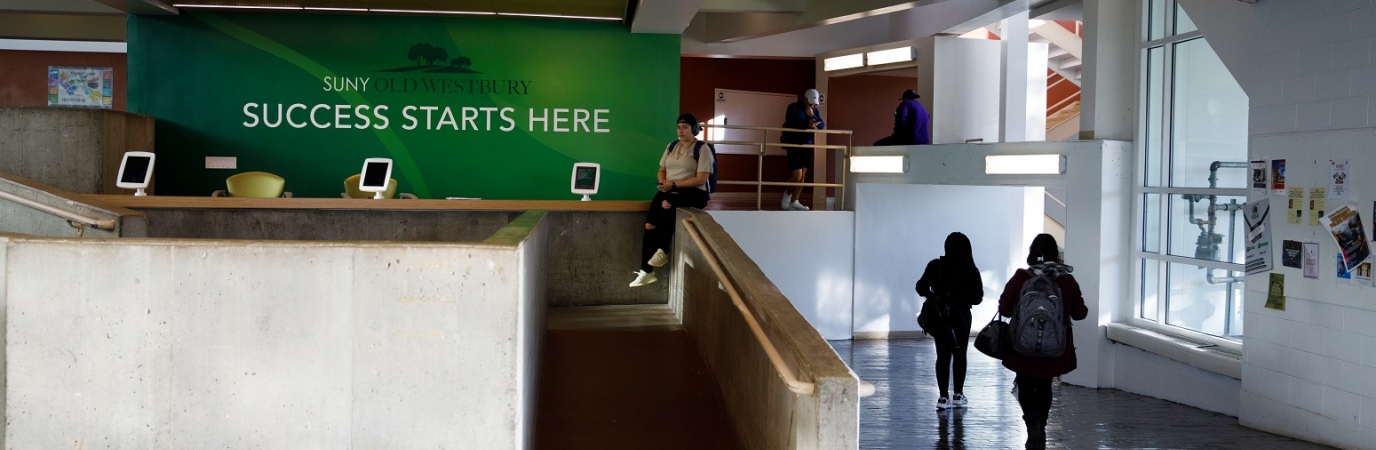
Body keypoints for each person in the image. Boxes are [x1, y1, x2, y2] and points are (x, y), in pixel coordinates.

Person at [997, 234, 1087, 449]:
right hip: (1054, 348)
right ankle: (1043, 427)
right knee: (1045, 386)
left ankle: (1032, 426)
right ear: (1055, 254)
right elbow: (1080, 313)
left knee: (1025, 384)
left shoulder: (1021, 277)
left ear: (1032, 252)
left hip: (1023, 346)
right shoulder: (1066, 280)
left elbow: (1004, 309)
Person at [630, 113, 715, 287]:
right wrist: (663, 182)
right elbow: (661, 169)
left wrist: (674, 185)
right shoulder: (672, 146)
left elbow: (701, 179)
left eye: (685, 127)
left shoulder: (702, 148)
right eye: (679, 127)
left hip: (694, 192)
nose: (681, 130)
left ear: (694, 129)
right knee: (649, 224)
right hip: (670, 189)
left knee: (667, 203)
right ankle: (646, 272)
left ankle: (663, 250)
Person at [915, 232, 983, 410]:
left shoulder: (936, 266)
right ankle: (958, 394)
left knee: (942, 355)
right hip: (962, 316)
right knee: (960, 353)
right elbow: (977, 298)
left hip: (941, 315)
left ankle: (943, 397)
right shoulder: (971, 269)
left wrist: (935, 296)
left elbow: (920, 286)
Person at [779, 88, 823, 211]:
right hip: (794, 144)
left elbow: (822, 125)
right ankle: (787, 195)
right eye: (810, 103)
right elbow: (791, 122)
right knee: (797, 175)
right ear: (805, 99)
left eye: (814, 104)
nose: (812, 105)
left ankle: (795, 201)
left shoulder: (814, 110)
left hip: (807, 144)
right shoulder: (793, 107)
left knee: (803, 175)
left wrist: (812, 115)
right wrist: (807, 124)